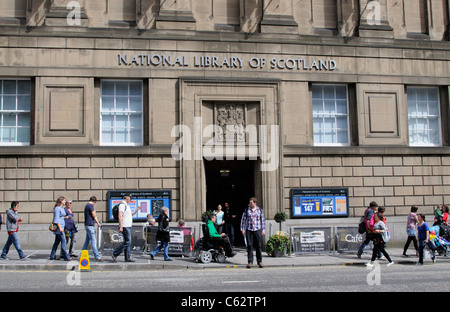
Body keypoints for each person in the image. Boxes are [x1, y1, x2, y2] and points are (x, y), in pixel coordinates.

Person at [112, 195, 142, 262]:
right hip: (125, 226)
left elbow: (130, 214)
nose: (130, 200)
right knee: (127, 242)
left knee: (127, 242)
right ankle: (115, 253)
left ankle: (127, 257)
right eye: (130, 198)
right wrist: (121, 226)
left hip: (128, 225)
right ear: (127, 198)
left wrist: (137, 209)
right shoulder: (122, 205)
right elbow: (120, 215)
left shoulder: (126, 205)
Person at [241, 197, 265, 268]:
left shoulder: (260, 210)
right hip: (249, 229)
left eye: (251, 202)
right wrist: (243, 229)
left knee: (258, 246)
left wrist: (263, 229)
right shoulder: (247, 210)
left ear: (255, 203)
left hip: (257, 229)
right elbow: (243, 220)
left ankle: (259, 261)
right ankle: (250, 262)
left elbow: (262, 220)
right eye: (250, 202)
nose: (250, 204)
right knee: (249, 246)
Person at [50, 196, 73, 261]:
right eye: (64, 200)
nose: (65, 201)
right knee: (64, 241)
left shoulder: (61, 208)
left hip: (62, 227)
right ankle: (66, 257)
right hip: (59, 228)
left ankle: (52, 256)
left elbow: (61, 217)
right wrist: (60, 228)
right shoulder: (57, 208)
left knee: (56, 243)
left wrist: (66, 217)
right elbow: (56, 219)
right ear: (61, 201)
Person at [82, 196, 103, 261]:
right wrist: (98, 223)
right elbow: (94, 215)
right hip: (90, 226)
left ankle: (82, 254)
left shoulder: (86, 205)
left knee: (87, 241)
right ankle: (97, 256)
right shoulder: (91, 206)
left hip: (86, 225)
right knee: (93, 241)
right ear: (94, 201)